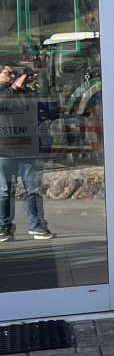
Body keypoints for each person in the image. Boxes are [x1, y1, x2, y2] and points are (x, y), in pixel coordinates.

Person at [0, 62, 52, 241]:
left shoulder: (24, 92)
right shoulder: (6, 92)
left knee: (33, 190)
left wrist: (39, 83)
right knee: (4, 191)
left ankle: (37, 226)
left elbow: (43, 109)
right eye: (9, 73)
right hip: (4, 151)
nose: (13, 75)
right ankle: (3, 227)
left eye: (14, 73)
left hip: (28, 149)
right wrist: (15, 86)